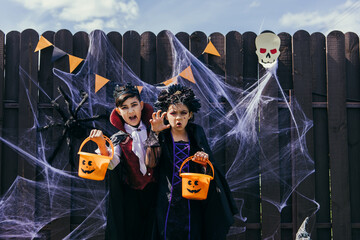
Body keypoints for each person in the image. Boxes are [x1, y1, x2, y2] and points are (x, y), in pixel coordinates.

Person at [145, 84, 238, 240]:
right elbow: (151, 163)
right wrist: (155, 133)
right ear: (166, 115)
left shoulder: (196, 133)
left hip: (193, 200)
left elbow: (209, 171)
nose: (179, 118)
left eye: (183, 113)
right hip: (167, 200)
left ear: (190, 115)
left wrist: (203, 163)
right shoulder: (162, 135)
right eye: (173, 113)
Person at [89, 83, 157, 240]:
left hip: (155, 193)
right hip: (131, 197)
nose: (131, 111)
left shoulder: (153, 131)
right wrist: (100, 143)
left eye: (134, 105)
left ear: (141, 106)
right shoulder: (119, 139)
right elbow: (111, 163)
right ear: (119, 111)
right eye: (125, 107)